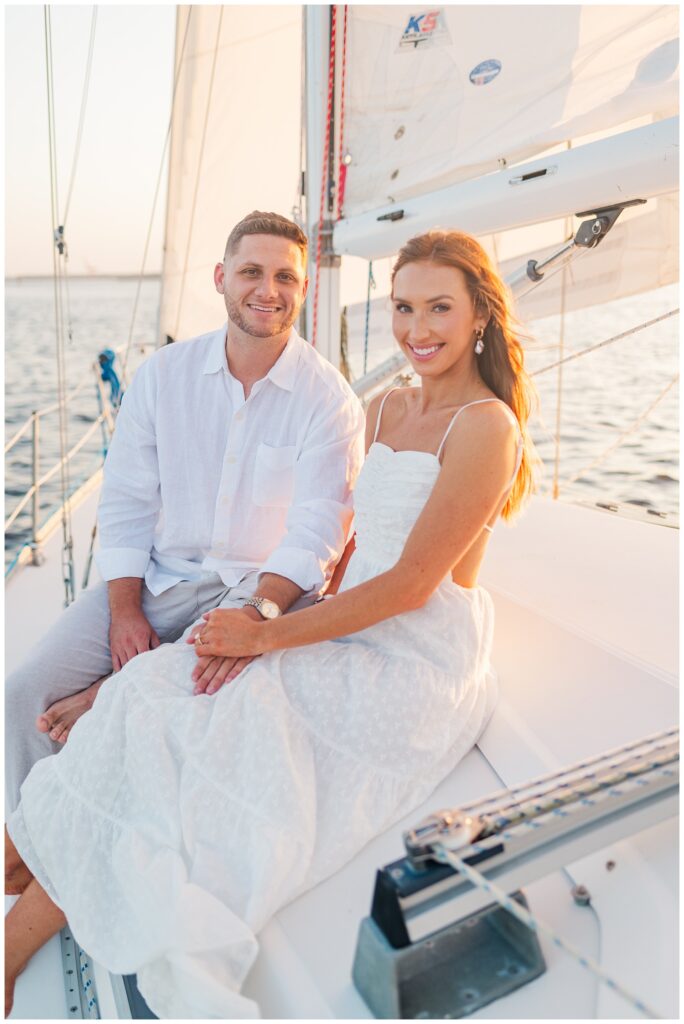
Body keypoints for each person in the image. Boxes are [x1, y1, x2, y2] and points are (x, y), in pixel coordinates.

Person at [6, 229, 537, 1019]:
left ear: (479, 318)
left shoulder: (486, 426)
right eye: (403, 308)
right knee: (156, 683)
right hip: (347, 620)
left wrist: (265, 635)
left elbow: (409, 585)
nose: (417, 330)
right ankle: (27, 873)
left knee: (184, 714)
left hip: (416, 657)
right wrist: (268, 630)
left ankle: (13, 924)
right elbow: (350, 562)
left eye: (438, 309)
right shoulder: (387, 404)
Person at [5, 211, 365, 810]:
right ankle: (27, 856)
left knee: (151, 701)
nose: (267, 290)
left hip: (256, 590)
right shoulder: (162, 377)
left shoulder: (330, 400)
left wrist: (259, 614)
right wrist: (124, 612)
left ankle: (103, 699)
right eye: (251, 271)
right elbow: (125, 500)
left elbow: (316, 532)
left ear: (304, 288)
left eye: (285, 277)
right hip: (156, 579)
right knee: (24, 695)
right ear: (221, 277)